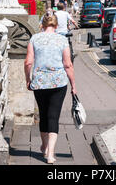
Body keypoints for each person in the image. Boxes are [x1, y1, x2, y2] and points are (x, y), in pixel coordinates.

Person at [24, 14, 76, 164]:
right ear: (56, 25)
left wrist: (28, 79)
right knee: (54, 116)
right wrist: (73, 85)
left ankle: (45, 146)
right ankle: (51, 154)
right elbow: (68, 64)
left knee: (43, 114)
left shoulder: (34, 38)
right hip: (58, 82)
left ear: (42, 24)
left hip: (39, 82)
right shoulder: (62, 39)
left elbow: (28, 62)